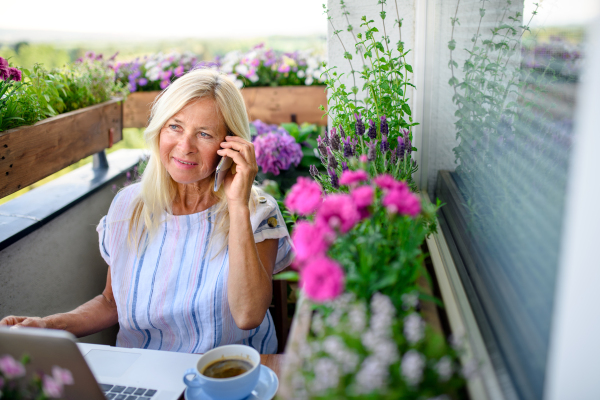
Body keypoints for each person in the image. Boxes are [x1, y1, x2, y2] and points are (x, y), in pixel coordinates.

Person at [0, 69, 293, 354]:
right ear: (159, 130)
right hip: (143, 369)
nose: (185, 146)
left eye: (204, 133)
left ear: (230, 145)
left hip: (223, 374)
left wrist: (237, 204)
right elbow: (112, 303)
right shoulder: (129, 205)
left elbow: (248, 316)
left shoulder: (256, 211)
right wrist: (46, 326)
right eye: (174, 126)